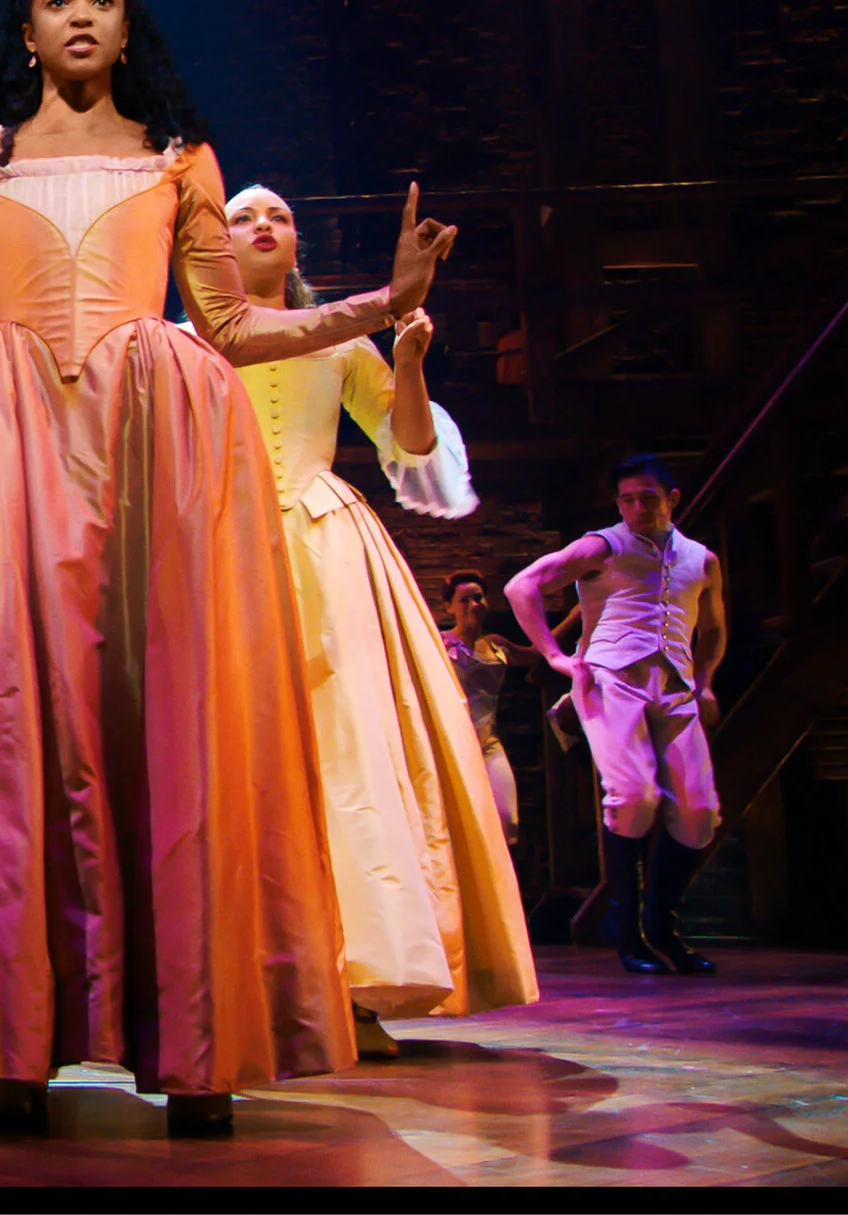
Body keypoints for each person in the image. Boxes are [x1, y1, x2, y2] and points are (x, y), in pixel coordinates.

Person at [0, 0, 453, 1135]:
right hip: (7, 450)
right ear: (25, 32)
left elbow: (226, 323)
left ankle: (193, 1039)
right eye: (57, 1)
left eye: (101, 1)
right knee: (5, 721)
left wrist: (383, 306)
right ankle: (4, 1039)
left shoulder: (178, 157)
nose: (79, 16)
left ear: (127, 32)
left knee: (167, 719)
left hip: (146, 452)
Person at [216, 184, 537, 1060]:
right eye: (243, 215)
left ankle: (355, 980)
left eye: (279, 216)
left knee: (347, 749)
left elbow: (413, 451)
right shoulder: (181, 342)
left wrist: (411, 361)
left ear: (297, 243)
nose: (263, 225)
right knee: (229, 754)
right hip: (217, 543)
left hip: (324, 549)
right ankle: (229, 976)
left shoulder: (339, 341)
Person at [507, 454, 726, 977]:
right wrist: (555, 656)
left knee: (699, 812)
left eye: (648, 498)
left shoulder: (701, 559)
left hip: (675, 686)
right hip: (611, 680)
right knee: (633, 797)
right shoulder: (602, 546)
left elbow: (714, 627)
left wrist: (706, 681)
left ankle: (662, 927)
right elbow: (522, 586)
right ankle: (627, 933)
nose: (636, 508)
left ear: (672, 499)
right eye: (627, 500)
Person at [440, 572, 544, 848]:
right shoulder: (439, 644)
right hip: (452, 745)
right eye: (464, 600)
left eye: (478, 598)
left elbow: (536, 652)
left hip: (488, 743)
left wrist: (577, 616)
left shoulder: (496, 644)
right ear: (449, 607)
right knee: (456, 823)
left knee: (507, 819)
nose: (473, 605)